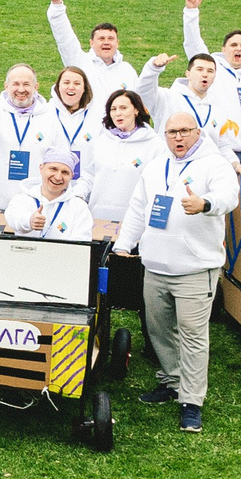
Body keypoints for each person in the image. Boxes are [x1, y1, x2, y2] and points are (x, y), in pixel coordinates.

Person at [136, 109, 241, 434]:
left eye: (184, 131)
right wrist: (125, 243)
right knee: (159, 329)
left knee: (194, 337)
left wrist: (205, 204)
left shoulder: (215, 164)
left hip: (195, 269)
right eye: (171, 132)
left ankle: (192, 402)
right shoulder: (155, 167)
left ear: (197, 132)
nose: (178, 137)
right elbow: (138, 207)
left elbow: (230, 197)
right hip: (155, 266)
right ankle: (171, 381)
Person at [81, 88, 162, 345]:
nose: (118, 113)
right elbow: (89, 177)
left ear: (136, 109)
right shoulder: (100, 140)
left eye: (124, 108)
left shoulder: (154, 144)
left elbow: (157, 187)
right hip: (99, 223)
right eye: (113, 109)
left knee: (139, 291)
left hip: (135, 226)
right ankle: (96, 338)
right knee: (97, 289)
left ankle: (153, 342)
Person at [181, 0, 241, 162]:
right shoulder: (212, 69)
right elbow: (192, 43)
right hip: (213, 151)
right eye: (233, 44)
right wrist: (191, 12)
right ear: (223, 49)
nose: (238, 49)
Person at [0, 64, 59, 214]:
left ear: (36, 87)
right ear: (6, 86)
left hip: (32, 204)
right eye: (15, 84)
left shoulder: (51, 117)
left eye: (26, 84)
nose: (21, 89)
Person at [46, 0, 135, 108]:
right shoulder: (79, 62)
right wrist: (57, 4)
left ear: (117, 43)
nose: (106, 42)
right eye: (101, 39)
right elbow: (64, 37)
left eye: (111, 39)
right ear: (91, 43)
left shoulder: (127, 70)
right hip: (87, 127)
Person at [4, 152, 95, 238]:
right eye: (53, 169)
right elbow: (13, 217)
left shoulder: (79, 207)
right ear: (41, 168)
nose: (58, 177)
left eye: (65, 172)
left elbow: (82, 242)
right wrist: (29, 220)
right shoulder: (23, 199)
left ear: (71, 176)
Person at [44, 64, 99, 179]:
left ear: (84, 89)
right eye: (66, 82)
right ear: (58, 87)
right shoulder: (45, 112)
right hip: (51, 186)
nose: (71, 87)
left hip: (85, 188)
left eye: (77, 83)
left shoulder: (97, 118)